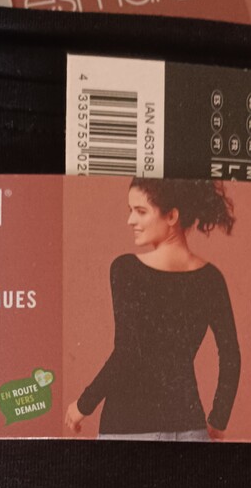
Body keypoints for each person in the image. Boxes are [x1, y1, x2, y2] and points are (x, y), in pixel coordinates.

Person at [65, 178, 240, 441]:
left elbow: (127, 352)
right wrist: (218, 420)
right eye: (130, 210)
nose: (130, 221)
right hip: (190, 428)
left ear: (172, 216)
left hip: (127, 428)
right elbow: (231, 356)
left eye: (141, 211)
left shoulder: (126, 269)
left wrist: (83, 405)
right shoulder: (211, 277)